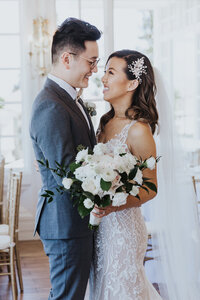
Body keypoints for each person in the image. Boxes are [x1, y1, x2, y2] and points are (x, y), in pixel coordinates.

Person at [29, 18, 101, 300]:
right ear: (67, 58)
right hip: (65, 224)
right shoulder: (51, 104)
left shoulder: (70, 99)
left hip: (73, 223)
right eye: (91, 62)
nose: (94, 71)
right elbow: (68, 173)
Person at [89, 50, 162, 299]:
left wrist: (112, 206)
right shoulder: (104, 122)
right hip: (99, 226)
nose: (103, 78)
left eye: (110, 72)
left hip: (124, 230)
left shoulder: (139, 131)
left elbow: (151, 187)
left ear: (132, 83)